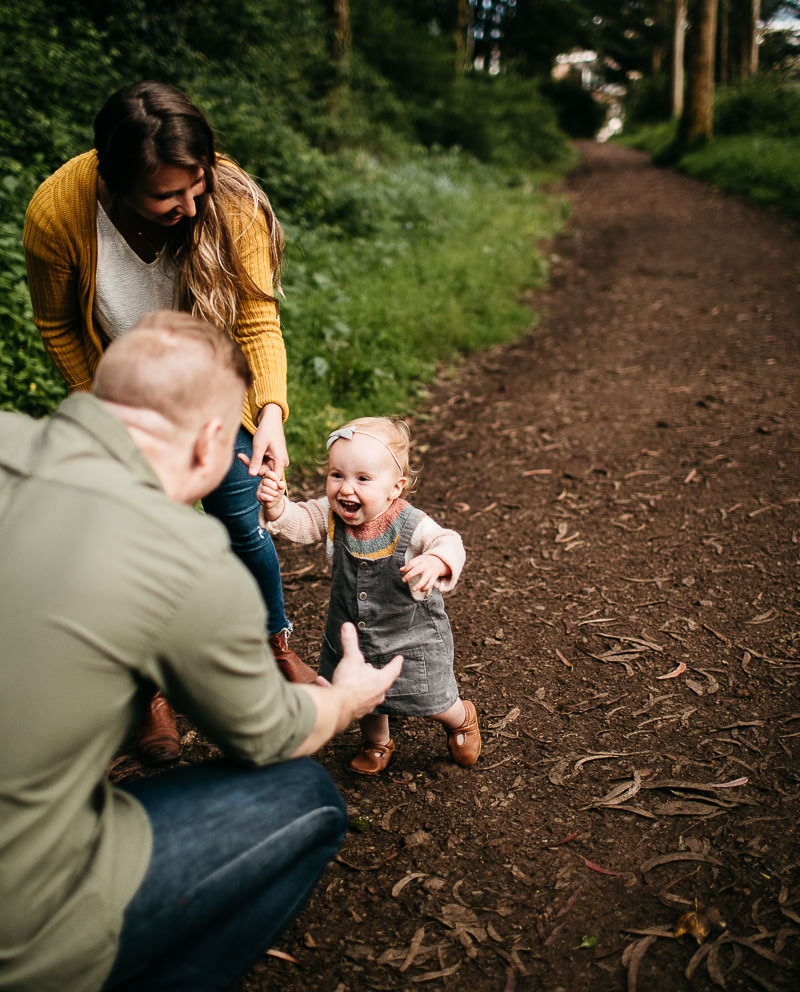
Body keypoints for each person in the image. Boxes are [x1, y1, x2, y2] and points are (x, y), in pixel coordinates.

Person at [0, 311, 402, 992]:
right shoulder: (182, 554)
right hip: (19, 928)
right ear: (213, 440)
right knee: (308, 797)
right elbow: (269, 734)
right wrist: (345, 698)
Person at [23, 81, 314, 761]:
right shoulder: (57, 214)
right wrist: (107, 415)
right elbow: (58, 324)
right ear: (117, 180)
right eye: (167, 196)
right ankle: (149, 689)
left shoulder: (229, 198)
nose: (190, 206)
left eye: (196, 184)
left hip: (216, 391)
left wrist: (271, 413)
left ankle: (272, 645)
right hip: (129, 401)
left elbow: (256, 316)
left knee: (241, 523)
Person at [256, 416, 481, 775]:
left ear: (395, 487)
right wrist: (277, 506)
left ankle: (459, 717)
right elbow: (301, 521)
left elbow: (448, 540)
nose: (346, 489)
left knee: (429, 693)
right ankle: (378, 742)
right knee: (363, 692)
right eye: (337, 475)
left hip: (409, 634)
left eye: (362, 479)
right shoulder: (332, 515)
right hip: (352, 631)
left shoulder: (411, 523)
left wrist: (437, 560)